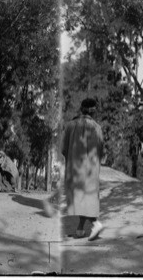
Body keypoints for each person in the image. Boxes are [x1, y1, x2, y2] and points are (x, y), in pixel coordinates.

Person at [62, 98, 104, 241]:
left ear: (81, 109)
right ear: (93, 111)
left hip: (75, 169)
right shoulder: (97, 128)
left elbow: (63, 149)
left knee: (80, 199)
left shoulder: (70, 126)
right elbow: (100, 150)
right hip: (91, 170)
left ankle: (94, 224)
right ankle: (81, 228)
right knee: (87, 199)